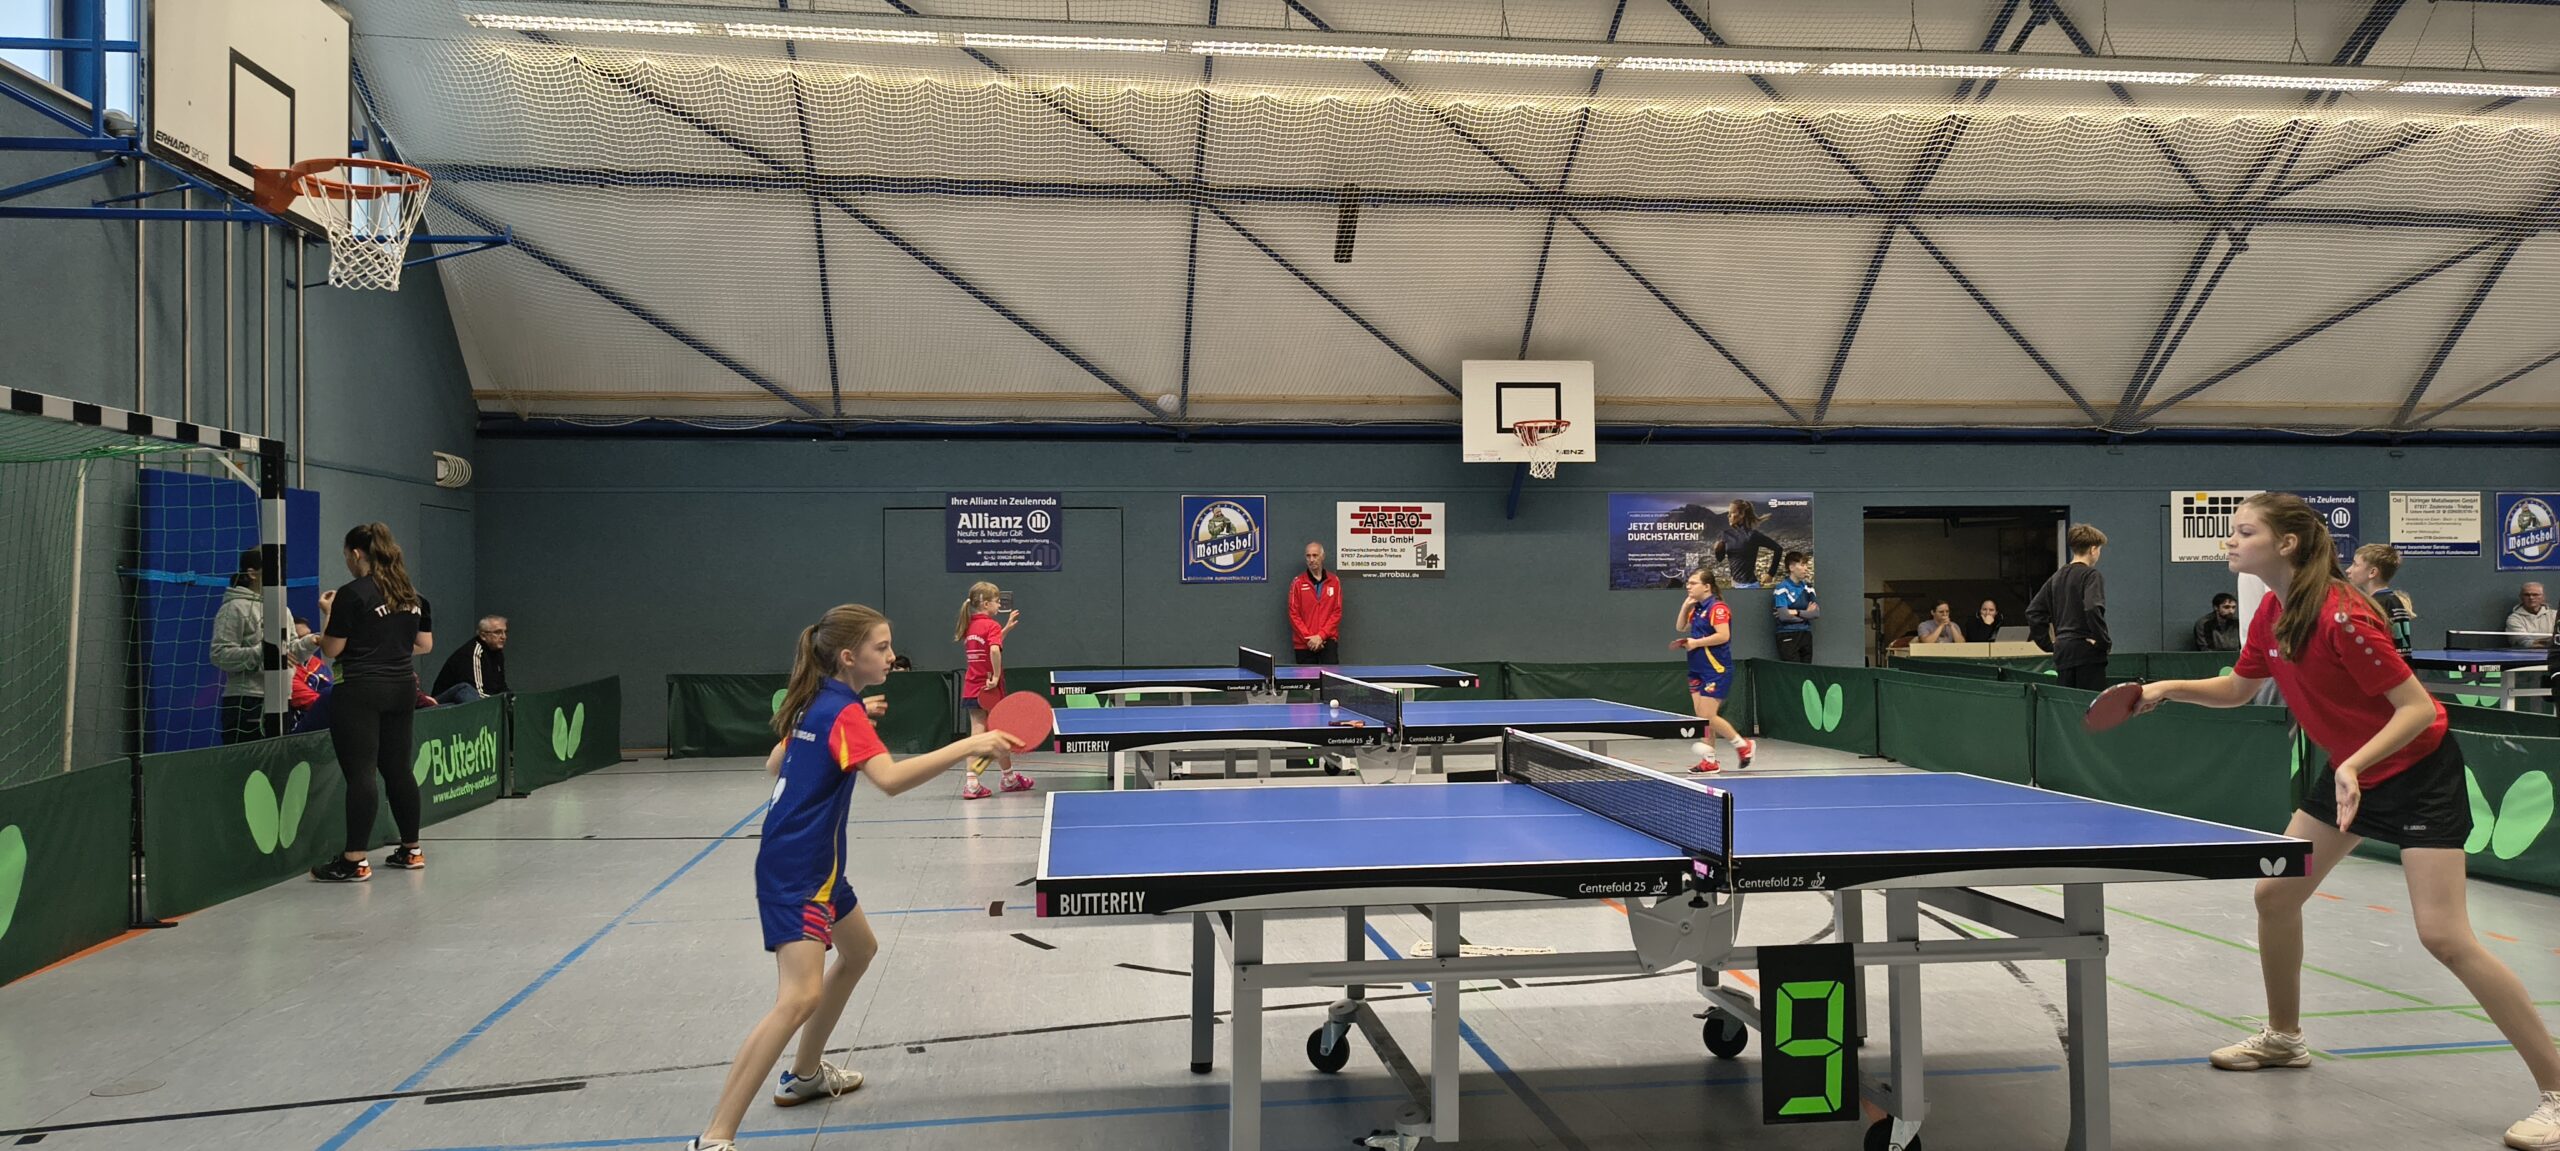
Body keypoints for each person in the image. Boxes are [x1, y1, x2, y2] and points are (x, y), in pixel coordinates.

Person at [2131, 493, 2560, 1151]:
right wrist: (2166, 688)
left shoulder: (2344, 615)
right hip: (2351, 772)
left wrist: (2354, 763)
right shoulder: (2274, 610)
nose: (2230, 541)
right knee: (2276, 894)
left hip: (2414, 773)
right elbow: (2240, 688)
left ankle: (2556, 1089)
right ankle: (2284, 1037)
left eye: (2244, 531)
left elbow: (2418, 709)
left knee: (2445, 936)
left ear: (2287, 543)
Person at [682, 604, 1020, 1151]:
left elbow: (775, 763)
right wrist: (970, 743)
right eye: (881, 648)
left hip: (812, 862)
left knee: (859, 950)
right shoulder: (841, 713)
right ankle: (715, 1137)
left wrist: (851, 718)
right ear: (848, 657)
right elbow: (889, 780)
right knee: (798, 998)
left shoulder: (818, 701)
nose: (892, 656)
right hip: (801, 872)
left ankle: (805, 1076)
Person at [311, 523, 432, 882]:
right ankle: (411, 850)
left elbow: (332, 649)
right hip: (402, 688)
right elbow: (424, 645)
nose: (347, 562)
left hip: (360, 691)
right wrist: (388, 648)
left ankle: (354, 860)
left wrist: (328, 613)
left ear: (357, 553)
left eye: (346, 555)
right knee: (398, 769)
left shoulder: (352, 594)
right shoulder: (412, 595)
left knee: (361, 772)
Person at [210, 548, 320, 744]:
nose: (280, 575)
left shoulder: (283, 610)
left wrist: (310, 642)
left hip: (282, 698)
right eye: (273, 569)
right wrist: (265, 651)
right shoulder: (234, 608)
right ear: (252, 573)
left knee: (278, 759)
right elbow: (220, 654)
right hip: (247, 701)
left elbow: (290, 654)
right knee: (247, 760)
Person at [1674, 567, 1755, 773]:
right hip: (1697, 669)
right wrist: (1685, 606)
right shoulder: (1697, 608)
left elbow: (1723, 636)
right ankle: (1709, 761)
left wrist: (1695, 643)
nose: (1688, 586)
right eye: (1688, 583)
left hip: (1716, 669)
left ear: (1707, 587)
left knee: (1708, 715)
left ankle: (1742, 744)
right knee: (1702, 718)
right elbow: (1680, 627)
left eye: (1693, 583)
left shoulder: (1717, 608)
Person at [953, 582, 1027, 800]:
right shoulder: (991, 625)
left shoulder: (969, 624)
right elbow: (994, 650)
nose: (999, 605)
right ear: (986, 604)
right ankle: (995, 781)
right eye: (996, 601)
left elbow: (988, 645)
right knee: (998, 732)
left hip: (971, 687)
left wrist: (1006, 629)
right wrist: (995, 677)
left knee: (979, 732)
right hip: (989, 688)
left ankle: (991, 780)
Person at [2026, 524, 2111, 690]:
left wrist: (2049, 645)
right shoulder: (2091, 575)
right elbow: (2092, 607)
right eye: (2099, 549)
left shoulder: (2056, 577)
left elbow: (2033, 612)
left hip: (2063, 653)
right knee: (2091, 703)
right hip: (2087, 651)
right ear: (2093, 549)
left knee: (2067, 702)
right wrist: (2103, 642)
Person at [2347, 544, 2417, 655]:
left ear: (2372, 572)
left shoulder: (2374, 605)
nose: (2348, 570)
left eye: (2355, 564)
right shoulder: (2394, 599)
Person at [432, 615, 509, 703]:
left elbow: (501, 687)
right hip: (445, 705)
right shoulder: (472, 653)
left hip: (473, 702)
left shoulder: (497, 653)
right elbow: (475, 694)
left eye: (505, 632)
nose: (504, 637)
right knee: (467, 691)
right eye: (498, 632)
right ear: (483, 635)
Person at [1288, 541, 1343, 664]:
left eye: (1315, 555)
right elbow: (1294, 614)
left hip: (1327, 641)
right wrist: (1309, 639)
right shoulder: (1297, 583)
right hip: (1304, 643)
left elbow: (1337, 612)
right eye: (1308, 556)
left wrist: (1321, 636)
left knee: (1330, 677)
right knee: (1307, 677)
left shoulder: (1334, 581)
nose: (1311, 560)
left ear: (1322, 557)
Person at [1711, 500, 1783, 589]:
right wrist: (1717, 550)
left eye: (1732, 512)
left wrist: (1770, 574)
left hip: (1749, 586)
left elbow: (1778, 549)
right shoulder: (1725, 534)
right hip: (1734, 584)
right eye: (1728, 513)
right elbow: (1720, 559)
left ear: (1742, 514)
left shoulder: (1752, 535)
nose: (1728, 515)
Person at [1770, 551, 1820, 662]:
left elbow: (1816, 613)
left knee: (1806, 669)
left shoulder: (1808, 588)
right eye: (1802, 565)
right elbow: (1784, 616)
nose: (1806, 568)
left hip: (1806, 633)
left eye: (1806, 565)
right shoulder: (1782, 588)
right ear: (1791, 567)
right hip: (1787, 634)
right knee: (1793, 669)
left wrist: (1796, 612)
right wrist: (1806, 614)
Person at [2509, 582, 2554, 647]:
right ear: (2521, 597)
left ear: (2543, 597)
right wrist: (2551, 641)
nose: (2531, 597)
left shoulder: (2555, 615)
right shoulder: (2514, 619)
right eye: (2527, 595)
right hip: (2527, 653)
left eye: (2535, 594)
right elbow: (2525, 642)